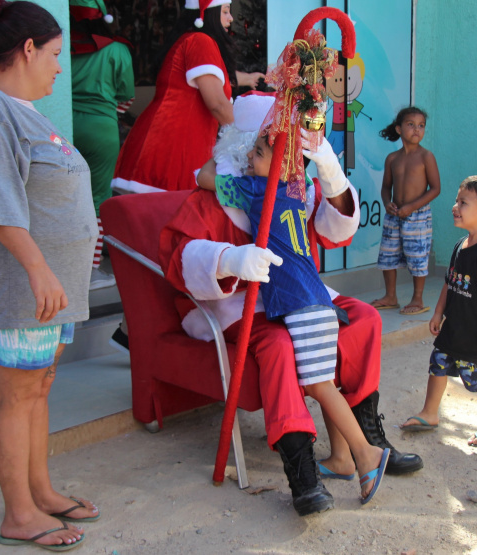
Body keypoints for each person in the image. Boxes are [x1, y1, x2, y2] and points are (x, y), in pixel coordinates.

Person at [158, 93, 423, 517]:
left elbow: (336, 230)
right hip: (239, 303)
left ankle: (366, 441)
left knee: (365, 320)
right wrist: (230, 259)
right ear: (245, 147)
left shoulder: (291, 189)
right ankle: (301, 466)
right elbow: (179, 255)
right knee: (280, 348)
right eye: (268, 143)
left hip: (299, 294)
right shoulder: (217, 194)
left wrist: (329, 167)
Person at [0, 0, 99, 549]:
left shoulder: (22, 109)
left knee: (38, 389)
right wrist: (38, 268)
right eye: (56, 55)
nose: (60, 68)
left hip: (50, 290)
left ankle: (41, 492)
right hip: (21, 287)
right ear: (28, 49)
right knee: (16, 397)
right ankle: (18, 514)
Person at [196, 125, 390, 507]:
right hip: (315, 298)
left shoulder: (259, 191)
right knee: (325, 377)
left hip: (300, 304)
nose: (250, 158)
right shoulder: (297, 191)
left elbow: (204, 178)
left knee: (319, 386)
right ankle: (341, 458)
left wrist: (224, 153)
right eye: (250, 152)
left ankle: (367, 454)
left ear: (282, 166)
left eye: (258, 154)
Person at [400, 175, 477, 447]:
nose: (455, 206)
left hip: (476, 334)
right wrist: (439, 312)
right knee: (437, 364)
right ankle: (430, 413)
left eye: (463, 202)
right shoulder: (460, 246)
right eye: (456, 200)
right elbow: (450, 283)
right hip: (454, 328)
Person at [110, 0, 263, 195]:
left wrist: (248, 78)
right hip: (173, 149)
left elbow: (216, 78)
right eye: (225, 12)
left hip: (167, 145)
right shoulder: (201, 41)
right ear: (208, 14)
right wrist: (252, 138)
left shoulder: (192, 40)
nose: (230, 18)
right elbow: (217, 104)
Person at [68, 0, 135, 290]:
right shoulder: (117, 50)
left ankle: (66, 266)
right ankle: (90, 270)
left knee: (64, 197)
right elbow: (126, 96)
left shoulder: (57, 49)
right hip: (101, 132)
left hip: (63, 130)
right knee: (97, 201)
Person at [370, 107, 441, 315]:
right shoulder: (392, 159)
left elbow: (436, 188)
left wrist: (411, 207)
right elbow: (386, 187)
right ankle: (390, 296)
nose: (417, 130)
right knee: (388, 256)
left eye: (421, 126)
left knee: (417, 256)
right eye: (411, 125)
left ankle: (417, 298)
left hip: (418, 216)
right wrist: (386, 203)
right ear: (399, 129)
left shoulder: (426, 157)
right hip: (394, 215)